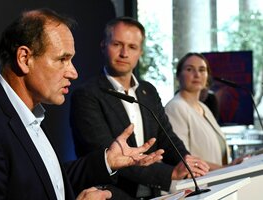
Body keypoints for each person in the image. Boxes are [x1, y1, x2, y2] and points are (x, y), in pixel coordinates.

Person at [0, 9, 165, 200]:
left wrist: (108, 160)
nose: (73, 72)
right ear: (25, 58)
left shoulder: (26, 113)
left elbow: (48, 181)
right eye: (62, 59)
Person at [70, 17, 210, 199]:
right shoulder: (86, 95)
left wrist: (187, 162)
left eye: (132, 47)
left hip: (153, 194)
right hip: (110, 195)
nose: (124, 53)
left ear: (140, 52)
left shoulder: (148, 91)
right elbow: (107, 154)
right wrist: (169, 174)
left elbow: (166, 136)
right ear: (104, 45)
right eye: (117, 44)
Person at [165, 52, 245, 170]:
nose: (197, 74)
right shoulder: (175, 108)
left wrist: (229, 166)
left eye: (202, 70)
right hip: (194, 184)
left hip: (213, 181)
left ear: (207, 76)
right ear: (178, 75)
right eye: (189, 69)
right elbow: (182, 158)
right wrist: (226, 168)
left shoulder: (204, 107)